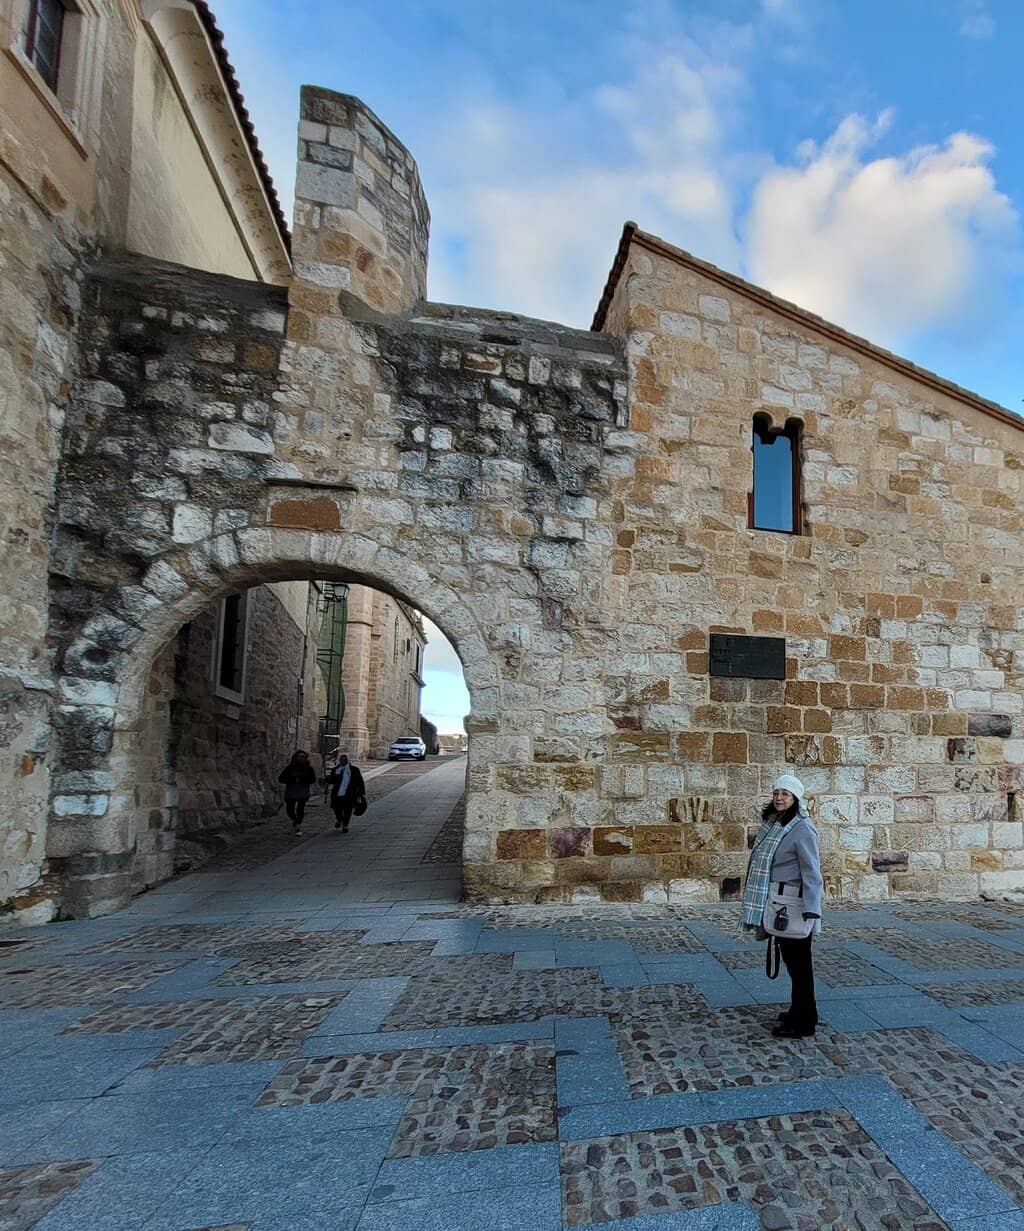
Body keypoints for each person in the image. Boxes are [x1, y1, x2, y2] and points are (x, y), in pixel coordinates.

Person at [740, 774, 823, 1038]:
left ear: (796, 799)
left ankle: (804, 1022)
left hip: (795, 907)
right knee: (792, 962)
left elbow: (812, 872)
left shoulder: (802, 829)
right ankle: (802, 1011)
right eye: (776, 793)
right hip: (778, 903)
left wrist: (812, 909)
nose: (779, 798)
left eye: (785, 794)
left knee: (800, 966)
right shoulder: (775, 825)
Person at [278, 750, 316, 836]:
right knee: (289, 810)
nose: (301, 758)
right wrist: (293, 780)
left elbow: (312, 780)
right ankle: (294, 820)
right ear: (296, 758)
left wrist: (302, 780)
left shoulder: (309, 769)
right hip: (291, 791)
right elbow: (281, 778)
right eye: (299, 757)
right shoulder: (290, 768)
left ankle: (298, 824)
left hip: (303, 791)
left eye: (303, 757)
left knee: (300, 809)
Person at [327, 752, 365, 832]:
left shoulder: (354, 770)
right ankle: (339, 819)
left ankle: (345, 825)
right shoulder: (335, 770)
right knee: (337, 809)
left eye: (345, 759)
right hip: (337, 794)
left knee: (348, 810)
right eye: (342, 759)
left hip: (350, 794)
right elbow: (332, 781)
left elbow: (360, 782)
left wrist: (362, 792)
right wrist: (329, 778)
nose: (343, 760)